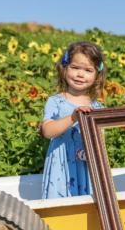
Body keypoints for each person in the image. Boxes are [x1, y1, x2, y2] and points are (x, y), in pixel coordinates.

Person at [41, 41, 106, 199]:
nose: (80, 74)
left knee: (87, 206)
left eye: (88, 70)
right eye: (75, 68)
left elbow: (99, 145)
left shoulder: (98, 108)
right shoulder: (56, 101)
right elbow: (48, 131)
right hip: (60, 166)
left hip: (86, 167)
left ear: (97, 74)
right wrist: (73, 117)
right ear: (65, 68)